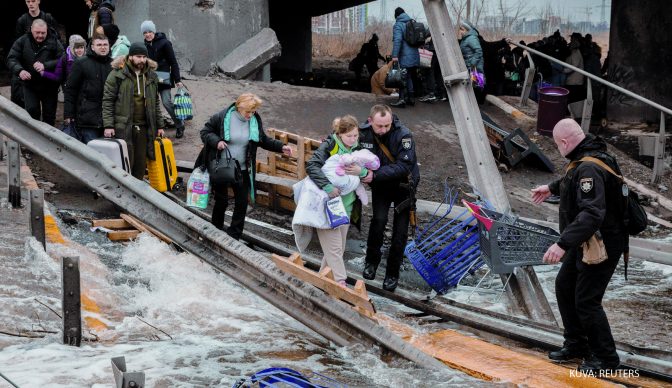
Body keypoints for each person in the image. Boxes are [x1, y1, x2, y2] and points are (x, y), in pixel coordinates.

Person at [531, 118, 626, 373]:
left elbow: (592, 213)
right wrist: (551, 188)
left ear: (563, 142)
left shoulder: (589, 168)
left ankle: (606, 359)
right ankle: (577, 344)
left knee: (586, 299)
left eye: (556, 145)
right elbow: (573, 181)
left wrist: (561, 244)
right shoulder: (587, 157)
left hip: (602, 242)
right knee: (564, 286)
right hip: (585, 239)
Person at [198, 93, 292, 239]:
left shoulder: (254, 120)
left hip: (242, 169)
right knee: (221, 201)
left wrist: (281, 147)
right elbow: (205, 132)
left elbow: (263, 140)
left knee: (242, 202)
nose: (250, 115)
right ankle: (216, 230)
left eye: (253, 111)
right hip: (221, 167)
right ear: (239, 107)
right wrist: (217, 141)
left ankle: (234, 235)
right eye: (248, 111)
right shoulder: (222, 117)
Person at [359, 105, 420, 291]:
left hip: (402, 187)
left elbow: (404, 166)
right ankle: (371, 263)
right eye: (380, 126)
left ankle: (392, 273)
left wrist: (374, 175)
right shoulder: (364, 134)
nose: (384, 129)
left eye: (387, 125)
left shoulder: (404, 135)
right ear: (371, 122)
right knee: (378, 221)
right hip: (382, 187)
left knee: (400, 232)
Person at [304, 115, 369, 287]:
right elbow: (311, 165)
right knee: (334, 249)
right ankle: (341, 281)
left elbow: (366, 169)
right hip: (327, 205)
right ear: (340, 134)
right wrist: (327, 186)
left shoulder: (357, 148)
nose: (353, 140)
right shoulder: (330, 145)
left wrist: (361, 172)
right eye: (349, 136)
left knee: (335, 249)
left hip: (346, 207)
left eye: (356, 136)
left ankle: (320, 284)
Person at [102, 42, 165, 179]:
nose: (141, 60)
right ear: (130, 56)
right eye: (138, 56)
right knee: (124, 163)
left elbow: (155, 102)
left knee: (141, 165)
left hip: (144, 127)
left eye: (144, 57)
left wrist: (160, 125)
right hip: (124, 126)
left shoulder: (151, 76)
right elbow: (108, 101)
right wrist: (108, 125)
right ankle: (120, 195)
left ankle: (136, 195)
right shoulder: (117, 74)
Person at [6, 19, 64, 126]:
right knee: (32, 111)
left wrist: (45, 65)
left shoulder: (54, 41)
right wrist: (20, 70)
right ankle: (34, 140)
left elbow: (63, 59)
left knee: (49, 115)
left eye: (43, 33)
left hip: (49, 84)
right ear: (31, 29)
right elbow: (11, 59)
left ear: (47, 30)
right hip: (30, 84)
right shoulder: (22, 41)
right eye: (37, 33)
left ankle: (49, 140)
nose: (40, 35)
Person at [142, 20, 186, 138]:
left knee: (166, 102)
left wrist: (178, 80)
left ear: (154, 31)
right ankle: (155, 128)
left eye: (150, 31)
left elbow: (173, 62)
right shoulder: (144, 45)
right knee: (151, 103)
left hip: (164, 77)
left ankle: (179, 125)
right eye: (145, 32)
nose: (148, 34)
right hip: (150, 78)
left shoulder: (165, 43)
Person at [65, 34, 112, 144]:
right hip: (87, 118)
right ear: (92, 47)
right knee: (91, 153)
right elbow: (71, 89)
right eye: (99, 45)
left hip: (108, 119)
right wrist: (69, 114)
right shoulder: (81, 63)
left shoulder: (113, 65)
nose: (103, 47)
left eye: (105, 44)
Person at [12, 0, 59, 109]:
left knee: (49, 111)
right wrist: (20, 70)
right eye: (28, 1)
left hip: (46, 69)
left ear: (38, 1)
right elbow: (16, 48)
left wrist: (48, 65)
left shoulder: (47, 18)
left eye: (33, 1)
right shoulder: (22, 21)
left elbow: (57, 42)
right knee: (29, 107)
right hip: (29, 69)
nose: (30, 4)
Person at [391, 7, 420, 108]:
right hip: (415, 55)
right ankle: (411, 98)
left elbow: (397, 41)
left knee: (402, 77)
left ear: (396, 15)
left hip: (404, 56)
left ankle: (401, 99)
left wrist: (394, 55)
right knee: (408, 76)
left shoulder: (398, 25)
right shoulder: (412, 23)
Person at [457, 20, 485, 103]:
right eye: (460, 29)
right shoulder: (466, 38)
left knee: (477, 84)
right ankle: (474, 104)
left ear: (467, 30)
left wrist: (472, 63)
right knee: (474, 85)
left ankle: (478, 107)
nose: (460, 31)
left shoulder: (471, 38)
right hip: (471, 65)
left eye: (462, 29)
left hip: (475, 66)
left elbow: (479, 51)